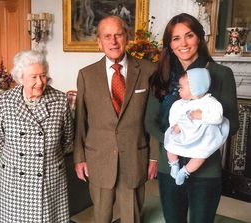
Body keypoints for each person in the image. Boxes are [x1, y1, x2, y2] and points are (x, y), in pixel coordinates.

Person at [145, 13, 239, 223]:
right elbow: (149, 121)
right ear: (169, 44)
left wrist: (199, 141)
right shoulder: (160, 75)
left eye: (189, 35)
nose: (183, 43)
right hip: (169, 166)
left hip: (206, 168)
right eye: (176, 38)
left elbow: (233, 124)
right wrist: (175, 145)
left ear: (199, 38)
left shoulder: (221, 74)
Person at [73, 16, 157, 223]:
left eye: (118, 35)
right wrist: (79, 158)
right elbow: (80, 122)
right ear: (99, 42)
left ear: (126, 37)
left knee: (132, 218)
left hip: (135, 158)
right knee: (101, 216)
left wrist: (154, 157)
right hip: (98, 158)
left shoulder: (148, 70)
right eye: (107, 36)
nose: (113, 41)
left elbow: (155, 119)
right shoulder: (86, 75)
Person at [0, 50, 74, 222]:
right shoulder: (6, 100)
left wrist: (51, 157)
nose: (39, 82)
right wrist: (16, 159)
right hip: (14, 179)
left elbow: (68, 139)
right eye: (33, 77)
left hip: (49, 177)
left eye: (43, 76)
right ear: (20, 78)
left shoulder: (59, 100)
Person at [164, 68, 229, 185]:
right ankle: (174, 164)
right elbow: (173, 117)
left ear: (195, 88)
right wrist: (176, 125)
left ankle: (185, 171)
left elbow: (218, 117)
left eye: (181, 87)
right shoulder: (180, 104)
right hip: (184, 133)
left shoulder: (211, 103)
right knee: (170, 145)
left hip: (201, 137)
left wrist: (201, 116)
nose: (179, 90)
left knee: (201, 156)